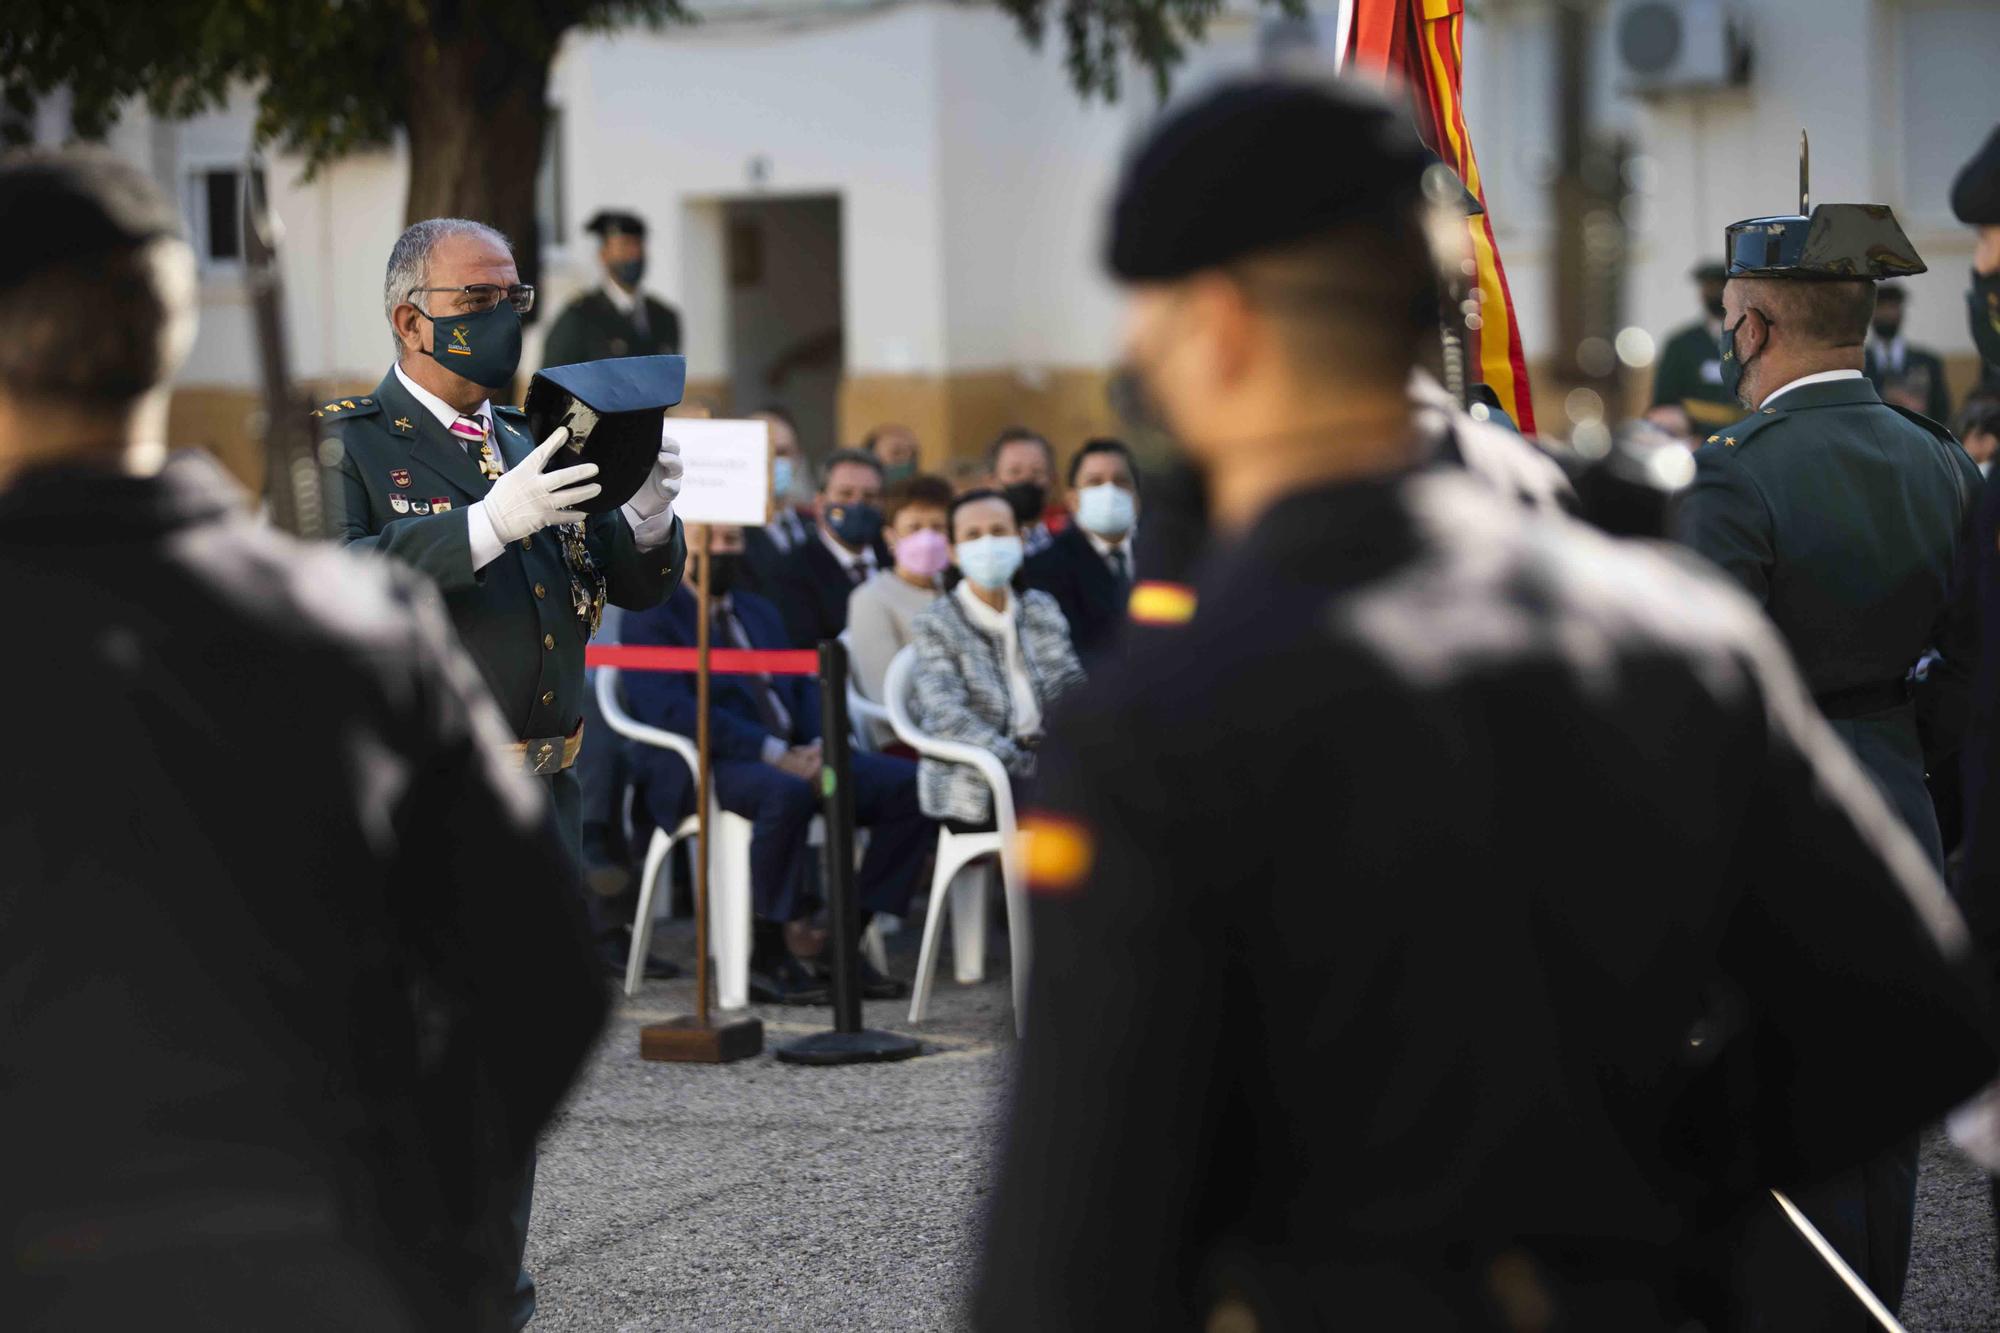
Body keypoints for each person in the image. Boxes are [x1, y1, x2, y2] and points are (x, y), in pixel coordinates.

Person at [974, 73, 1999, 1332]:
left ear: (1221, 330)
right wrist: (1649, 1183)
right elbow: (1907, 1022)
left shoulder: (1153, 731)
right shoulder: (1679, 636)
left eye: (1147, 325)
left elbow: (1066, 1264)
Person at [1, 150, 607, 1330]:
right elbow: (540, 983)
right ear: (170, 339)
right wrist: (414, 1217)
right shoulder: (354, 627)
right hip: (309, 1261)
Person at [325, 215, 685, 1328]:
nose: (505, 317)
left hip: (544, 793)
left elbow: (621, 581)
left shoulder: (532, 430)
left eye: (513, 295)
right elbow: (319, 584)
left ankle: (490, 1292)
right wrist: (479, 526)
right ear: (410, 317)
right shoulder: (349, 444)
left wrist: (648, 514)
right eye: (478, 300)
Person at [620, 524, 929, 1003]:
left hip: (800, 755)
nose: (722, 552)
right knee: (785, 792)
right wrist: (771, 751)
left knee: (909, 786)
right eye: (710, 542)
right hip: (713, 761)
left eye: (731, 542)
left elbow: (803, 685)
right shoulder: (653, 615)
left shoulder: (758, 609)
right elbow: (671, 709)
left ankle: (841, 936)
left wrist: (820, 744)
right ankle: (769, 950)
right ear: (683, 545)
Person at [910, 489, 1085, 828]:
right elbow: (947, 715)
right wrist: (1024, 762)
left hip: (1050, 763)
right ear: (953, 551)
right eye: (972, 535)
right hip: (976, 780)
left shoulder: (1040, 607)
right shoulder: (935, 622)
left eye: (999, 532)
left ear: (1020, 540)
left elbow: (1070, 685)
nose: (987, 543)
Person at [847, 473, 953, 743]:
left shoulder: (958, 591)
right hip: (908, 739)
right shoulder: (871, 598)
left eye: (938, 527)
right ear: (890, 536)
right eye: (914, 528)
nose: (927, 538)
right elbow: (885, 692)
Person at [1024, 439, 1140, 660]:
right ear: (1072, 499)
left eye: (1121, 481)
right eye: (1095, 482)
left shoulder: (1169, 556)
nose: (1109, 491)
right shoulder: (1043, 569)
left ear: (1136, 496)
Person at [773, 446, 886, 647]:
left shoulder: (895, 561)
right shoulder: (793, 571)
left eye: (869, 496)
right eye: (845, 494)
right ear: (820, 503)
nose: (857, 504)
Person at [540, 209, 681, 365]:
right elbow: (550, 382)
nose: (634, 254)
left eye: (638, 245)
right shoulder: (579, 317)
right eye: (625, 245)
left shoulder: (664, 317)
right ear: (603, 254)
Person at [1647, 261, 1741, 438]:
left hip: (1742, 436)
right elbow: (1663, 403)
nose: (1713, 293)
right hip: (1692, 438)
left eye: (1719, 286)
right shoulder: (1681, 343)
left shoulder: (1750, 339)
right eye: (1708, 287)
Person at [741, 404, 813, 598]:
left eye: (781, 452)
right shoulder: (730, 536)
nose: (772, 460)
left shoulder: (815, 525)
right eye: (762, 451)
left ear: (797, 458)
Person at [1865, 281, 1954, 422]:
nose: (1887, 313)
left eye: (1892, 306)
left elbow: (1942, 413)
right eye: (1881, 307)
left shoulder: (1928, 362)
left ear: (1901, 311)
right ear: (1871, 312)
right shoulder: (1857, 363)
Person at [986, 426, 1063, 554]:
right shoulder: (980, 547)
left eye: (1037, 472)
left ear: (1052, 481)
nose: (1026, 479)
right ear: (991, 482)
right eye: (1015, 472)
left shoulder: (1069, 546)